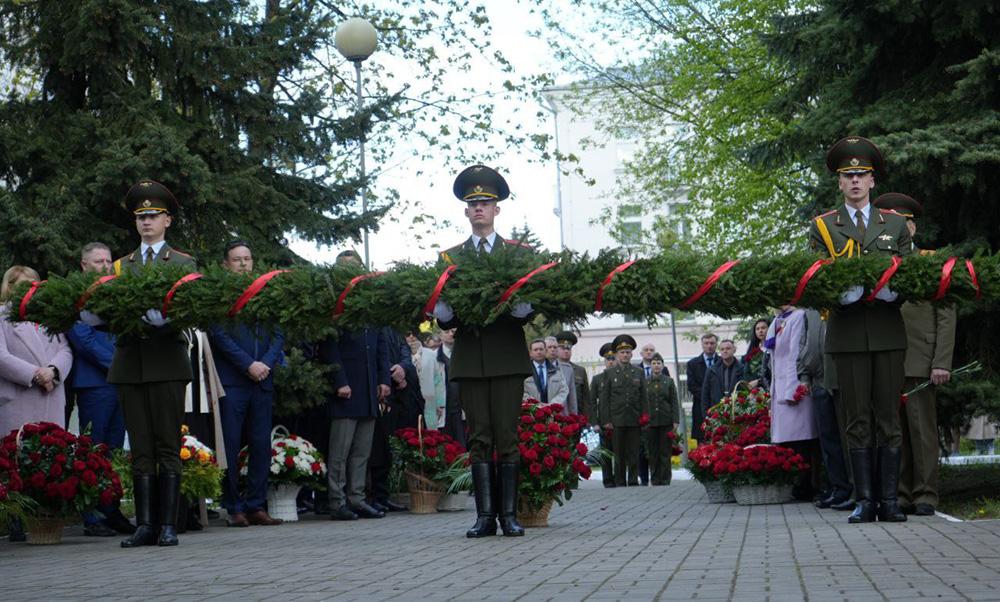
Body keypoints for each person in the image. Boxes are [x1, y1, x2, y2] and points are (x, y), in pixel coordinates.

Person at [809, 136, 912, 524]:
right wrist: (842, 294)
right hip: (848, 334)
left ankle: (889, 500)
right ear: (839, 183)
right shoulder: (824, 226)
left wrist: (894, 291)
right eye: (848, 175)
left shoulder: (895, 224)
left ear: (872, 181)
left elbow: (913, 274)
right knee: (856, 420)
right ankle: (864, 499)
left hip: (887, 331)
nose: (855, 181)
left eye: (861, 175)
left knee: (888, 417)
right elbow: (815, 276)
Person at [432, 164, 533, 538]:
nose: (479, 208)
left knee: (507, 435)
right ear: (466, 211)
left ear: (496, 210)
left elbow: (528, 308)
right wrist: (441, 308)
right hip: (471, 358)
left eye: (485, 203)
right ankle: (485, 516)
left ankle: (509, 515)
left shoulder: (519, 255)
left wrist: (521, 302)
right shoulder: (450, 259)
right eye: (473, 203)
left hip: (506, 356)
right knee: (479, 437)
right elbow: (445, 317)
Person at [99, 180, 196, 548]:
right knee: (140, 446)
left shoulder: (183, 262)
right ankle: (145, 525)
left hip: (167, 361)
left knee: (167, 444)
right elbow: (111, 311)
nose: (146, 222)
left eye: (154, 215)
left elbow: (190, 306)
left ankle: (168, 525)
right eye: (141, 217)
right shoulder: (121, 265)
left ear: (167, 220)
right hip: (131, 363)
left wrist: (168, 321)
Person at [874, 192, 956, 516]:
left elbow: (946, 315)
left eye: (903, 223)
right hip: (888, 360)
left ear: (913, 227)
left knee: (922, 433)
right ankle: (902, 493)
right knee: (895, 433)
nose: (898, 229)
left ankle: (926, 494)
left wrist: (941, 362)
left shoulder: (931, 262)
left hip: (922, 361)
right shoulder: (881, 265)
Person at [208, 240, 285, 528]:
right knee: (229, 443)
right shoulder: (220, 294)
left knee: (261, 444)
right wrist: (248, 364)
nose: (243, 264)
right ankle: (233, 507)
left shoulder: (266, 291)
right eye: (237, 259)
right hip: (233, 381)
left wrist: (265, 363)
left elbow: (279, 332)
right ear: (225, 264)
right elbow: (218, 335)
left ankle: (256, 505)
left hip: (262, 378)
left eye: (247, 258)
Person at [0, 265, 74, 542]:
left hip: (50, 393)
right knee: (16, 459)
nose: (29, 289)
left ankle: (46, 515)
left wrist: (53, 371)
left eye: (33, 283)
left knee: (48, 459)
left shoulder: (47, 316)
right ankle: (16, 518)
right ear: (9, 287)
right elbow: (1, 356)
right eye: (22, 284)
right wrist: (35, 374)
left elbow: (65, 349)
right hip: (20, 395)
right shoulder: (2, 316)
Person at [66, 243, 134, 536]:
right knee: (93, 447)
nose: (105, 265)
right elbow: (83, 339)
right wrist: (119, 364)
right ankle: (91, 514)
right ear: (84, 265)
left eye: (108, 261)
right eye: (98, 261)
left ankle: (111, 509)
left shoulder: (115, 293)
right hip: (95, 382)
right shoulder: (77, 294)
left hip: (119, 381)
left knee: (114, 448)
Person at [319, 251, 391, 521]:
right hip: (346, 389)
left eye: (355, 267)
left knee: (361, 451)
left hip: (369, 388)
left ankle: (357, 498)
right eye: (345, 268)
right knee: (340, 452)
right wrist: (339, 381)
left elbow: (381, 346)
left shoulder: (369, 302)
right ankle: (337, 501)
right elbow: (329, 346)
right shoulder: (333, 302)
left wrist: (384, 380)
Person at [764, 306, 823, 501]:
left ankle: (808, 485)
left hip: (795, 386)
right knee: (788, 439)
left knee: (803, 438)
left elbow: (795, 353)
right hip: (779, 386)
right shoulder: (779, 319)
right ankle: (795, 484)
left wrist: (793, 388)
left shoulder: (798, 316)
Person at [600, 335, 647, 487]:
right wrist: (606, 420)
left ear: (632, 354)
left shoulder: (638, 372)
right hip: (616, 419)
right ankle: (620, 480)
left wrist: (645, 416)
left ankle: (633, 480)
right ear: (617, 354)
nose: (625, 355)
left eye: (628, 352)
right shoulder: (609, 373)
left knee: (634, 451)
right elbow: (605, 399)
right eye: (622, 352)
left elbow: (643, 396)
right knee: (618, 452)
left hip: (634, 418)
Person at [645, 353, 679, 486]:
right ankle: (655, 479)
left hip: (666, 421)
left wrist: (675, 420)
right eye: (654, 363)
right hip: (650, 422)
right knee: (653, 452)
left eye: (659, 363)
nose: (656, 366)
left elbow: (674, 402)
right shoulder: (645, 382)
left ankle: (665, 479)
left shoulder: (668, 381)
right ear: (650, 366)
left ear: (663, 365)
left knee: (665, 451)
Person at [406, 330, 446, 429]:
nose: (411, 336)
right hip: (407, 402)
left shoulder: (430, 354)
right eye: (407, 334)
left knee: (430, 433)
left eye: (413, 334)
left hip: (429, 401)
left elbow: (438, 379)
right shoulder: (400, 355)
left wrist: (440, 403)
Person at [590, 343, 616, 487]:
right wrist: (594, 422)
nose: (611, 361)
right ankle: (607, 480)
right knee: (605, 454)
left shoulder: (622, 377)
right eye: (608, 359)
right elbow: (592, 403)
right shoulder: (597, 379)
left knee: (621, 453)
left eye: (613, 358)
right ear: (604, 361)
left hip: (620, 421)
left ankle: (619, 479)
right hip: (604, 422)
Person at [700, 339, 746, 422]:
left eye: (728, 348)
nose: (725, 351)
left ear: (734, 350)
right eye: (722, 349)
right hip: (716, 414)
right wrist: (706, 416)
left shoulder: (742, 369)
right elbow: (705, 394)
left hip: (737, 413)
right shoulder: (711, 370)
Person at [436, 328, 466, 447]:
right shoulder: (433, 357)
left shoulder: (465, 355)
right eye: (446, 332)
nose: (450, 334)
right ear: (440, 335)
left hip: (462, 408)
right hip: (442, 409)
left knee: (463, 444)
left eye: (453, 332)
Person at [686, 333, 718, 442]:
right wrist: (707, 396)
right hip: (700, 407)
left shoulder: (722, 361)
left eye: (712, 343)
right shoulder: (692, 364)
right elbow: (692, 386)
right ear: (702, 344)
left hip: (720, 405)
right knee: (702, 442)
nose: (709, 346)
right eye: (706, 343)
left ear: (716, 344)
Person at [555, 331, 590, 420]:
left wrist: (586, 418)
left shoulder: (580, 371)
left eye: (569, 348)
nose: (566, 351)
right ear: (557, 349)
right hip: (556, 416)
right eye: (562, 348)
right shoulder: (551, 369)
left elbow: (586, 398)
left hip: (576, 416)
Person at [523, 339, 568, 406]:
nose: (539, 352)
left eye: (541, 349)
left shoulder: (556, 370)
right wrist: (536, 405)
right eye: (535, 350)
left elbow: (563, 390)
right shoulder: (525, 371)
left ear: (546, 351)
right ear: (530, 353)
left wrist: (551, 405)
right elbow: (522, 392)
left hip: (553, 410)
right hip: (532, 410)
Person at [546, 335, 577, 415]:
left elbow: (572, 397)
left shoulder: (567, 369)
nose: (552, 349)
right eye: (549, 347)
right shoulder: (535, 368)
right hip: (542, 416)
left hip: (563, 415)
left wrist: (574, 416)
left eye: (555, 347)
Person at [742, 319, 769, 387]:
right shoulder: (752, 350)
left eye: (763, 328)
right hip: (755, 389)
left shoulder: (774, 349)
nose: (760, 331)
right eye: (757, 329)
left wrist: (759, 381)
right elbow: (747, 372)